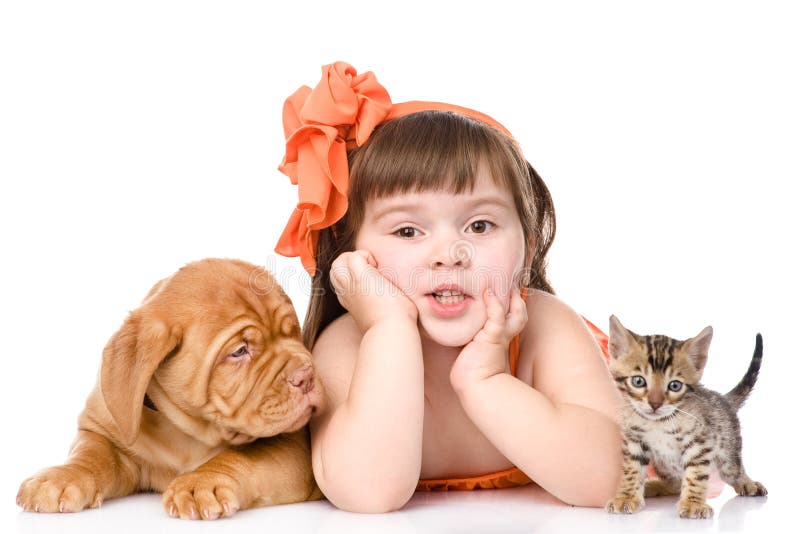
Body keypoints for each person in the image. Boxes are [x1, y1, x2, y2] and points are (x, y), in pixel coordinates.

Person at [274, 62, 622, 513]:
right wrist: (389, 330)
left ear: (529, 248)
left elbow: (610, 479)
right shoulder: (350, 346)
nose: (449, 253)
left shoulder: (547, 328)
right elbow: (367, 493)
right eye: (407, 232)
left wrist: (485, 380)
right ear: (352, 256)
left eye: (480, 225)